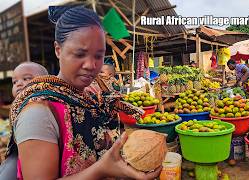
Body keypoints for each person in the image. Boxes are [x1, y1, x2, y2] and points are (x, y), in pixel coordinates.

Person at [2, 6, 160, 180]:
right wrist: (102, 169)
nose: (91, 65)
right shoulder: (38, 113)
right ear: (58, 50)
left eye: (98, 55)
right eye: (80, 54)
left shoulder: (91, 94)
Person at [0, 62, 48, 179]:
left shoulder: (43, 101)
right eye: (15, 82)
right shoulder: (17, 104)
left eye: (26, 78)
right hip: (18, 152)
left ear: (46, 81)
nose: (19, 84)